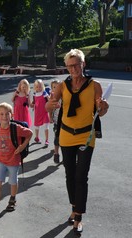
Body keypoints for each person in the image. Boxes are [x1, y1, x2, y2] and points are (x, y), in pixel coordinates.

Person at [45, 49, 109, 235]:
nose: (73, 68)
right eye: (70, 65)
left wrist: (104, 106)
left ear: (83, 64)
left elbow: (100, 111)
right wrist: (51, 105)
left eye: (77, 64)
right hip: (66, 135)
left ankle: (78, 216)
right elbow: (49, 104)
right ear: (66, 67)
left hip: (85, 137)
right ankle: (74, 206)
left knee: (81, 176)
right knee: (70, 174)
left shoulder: (94, 85)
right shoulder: (62, 86)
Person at [0, 102, 32, 219]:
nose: (5, 116)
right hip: (1, 160)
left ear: (12, 115)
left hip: (13, 160)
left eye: (7, 114)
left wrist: (22, 146)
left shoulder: (16, 128)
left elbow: (29, 133)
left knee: (13, 182)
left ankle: (12, 199)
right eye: (2, 114)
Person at [30, 79, 50, 146]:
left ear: (42, 86)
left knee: (46, 126)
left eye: (40, 86)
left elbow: (49, 100)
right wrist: (32, 105)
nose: (39, 88)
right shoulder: (35, 94)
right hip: (37, 112)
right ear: (35, 87)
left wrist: (48, 96)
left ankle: (47, 140)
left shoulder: (44, 93)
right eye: (37, 87)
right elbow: (34, 102)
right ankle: (37, 137)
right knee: (36, 126)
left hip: (44, 112)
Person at [49, 80, 62, 164]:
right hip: (57, 121)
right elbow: (50, 109)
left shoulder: (64, 96)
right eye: (54, 87)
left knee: (65, 140)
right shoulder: (52, 98)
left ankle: (66, 156)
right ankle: (56, 153)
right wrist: (50, 117)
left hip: (65, 122)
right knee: (56, 138)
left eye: (57, 87)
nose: (56, 89)